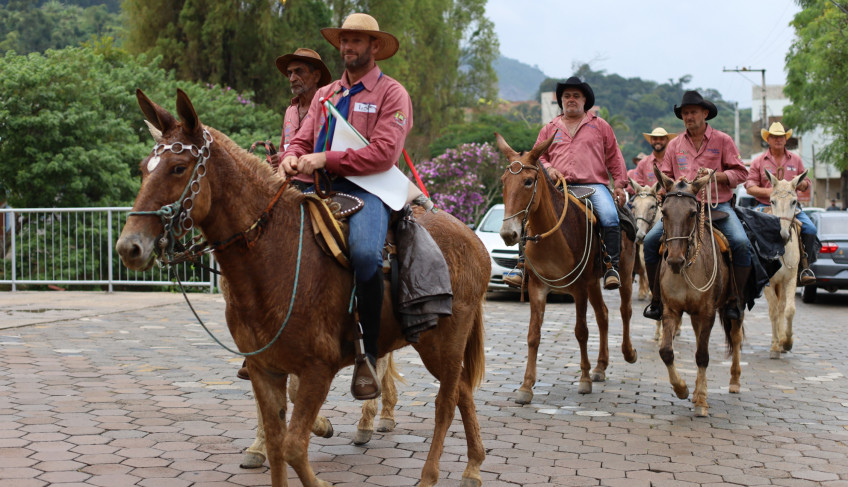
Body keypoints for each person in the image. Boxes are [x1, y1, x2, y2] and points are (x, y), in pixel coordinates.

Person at [280, 13, 412, 400]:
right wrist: (291, 155)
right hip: (318, 186)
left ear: (374, 47)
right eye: (344, 41)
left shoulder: (392, 94)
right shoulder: (326, 95)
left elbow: (384, 154)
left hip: (369, 189)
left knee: (365, 256)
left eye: (356, 41)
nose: (347, 48)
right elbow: (302, 142)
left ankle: (367, 355)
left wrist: (327, 160)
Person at [237, 48, 332, 381]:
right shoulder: (290, 111)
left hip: (322, 186)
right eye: (290, 72)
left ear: (317, 75)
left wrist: (314, 160)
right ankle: (257, 339)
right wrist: (278, 161)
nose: (292, 78)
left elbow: (336, 146)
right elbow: (289, 147)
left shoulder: (328, 104)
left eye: (300, 71)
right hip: (288, 184)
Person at [504, 76, 628, 290]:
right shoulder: (549, 128)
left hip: (593, 186)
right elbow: (535, 157)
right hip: (558, 187)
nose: (571, 99)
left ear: (584, 100)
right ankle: (522, 267)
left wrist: (619, 184)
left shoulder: (600, 126)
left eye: (576, 96)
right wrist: (549, 167)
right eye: (567, 96)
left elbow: (614, 157)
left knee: (610, 216)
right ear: (561, 101)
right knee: (529, 216)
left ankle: (611, 267)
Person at [642, 90, 751, 320]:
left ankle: (735, 299)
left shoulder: (723, 140)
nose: (688, 116)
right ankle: (656, 299)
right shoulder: (674, 145)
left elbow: (741, 173)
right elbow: (666, 178)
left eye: (693, 112)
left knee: (741, 244)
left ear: (705, 113)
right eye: (685, 113)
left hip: (717, 207)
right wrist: (669, 189)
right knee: (651, 241)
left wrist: (715, 176)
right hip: (682, 210)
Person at [745, 122, 817, 285]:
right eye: (774, 137)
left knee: (810, 230)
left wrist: (802, 184)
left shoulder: (796, 159)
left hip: (792, 208)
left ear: (786, 140)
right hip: (764, 206)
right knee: (747, 231)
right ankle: (750, 269)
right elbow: (749, 186)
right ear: (768, 139)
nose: (778, 140)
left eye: (781, 137)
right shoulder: (758, 161)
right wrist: (772, 193)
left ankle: (805, 267)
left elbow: (806, 181)